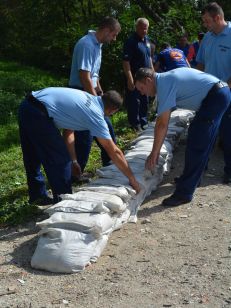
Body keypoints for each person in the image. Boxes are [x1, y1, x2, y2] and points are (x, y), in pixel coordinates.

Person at [18, 88, 141, 205]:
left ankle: (37, 195)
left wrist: (74, 161)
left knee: (32, 154)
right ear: (112, 110)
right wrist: (132, 179)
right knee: (60, 160)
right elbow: (114, 151)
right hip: (39, 114)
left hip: (27, 105)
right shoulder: (95, 114)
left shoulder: (87, 98)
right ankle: (63, 202)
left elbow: (68, 132)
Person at [134, 67, 230, 206]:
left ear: (149, 80)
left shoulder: (164, 84)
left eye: (141, 88)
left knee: (197, 143)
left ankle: (184, 193)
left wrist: (154, 153)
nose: (143, 93)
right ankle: (193, 179)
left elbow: (162, 124)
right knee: (203, 139)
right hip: (219, 93)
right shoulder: (166, 78)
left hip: (215, 96)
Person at [69, 17, 121, 173]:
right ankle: (76, 173)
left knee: (106, 127)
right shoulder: (86, 44)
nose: (114, 38)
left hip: (91, 92)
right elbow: (84, 76)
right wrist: (94, 102)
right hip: (81, 92)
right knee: (85, 135)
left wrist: (100, 92)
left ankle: (110, 165)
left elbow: (94, 75)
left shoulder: (98, 45)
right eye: (114, 34)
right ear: (106, 30)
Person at [196, 2, 231, 184]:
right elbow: (200, 64)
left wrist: (226, 89)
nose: (205, 25)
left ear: (218, 18)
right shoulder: (208, 38)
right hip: (208, 94)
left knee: (228, 134)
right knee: (204, 132)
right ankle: (200, 169)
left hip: (228, 94)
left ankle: (229, 171)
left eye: (207, 21)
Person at [122, 17, 154, 132]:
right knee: (134, 101)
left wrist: (153, 73)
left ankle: (144, 121)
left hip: (147, 77)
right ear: (136, 27)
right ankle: (135, 124)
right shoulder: (131, 42)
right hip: (135, 77)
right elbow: (126, 62)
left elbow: (149, 57)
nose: (144, 31)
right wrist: (130, 79)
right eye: (141, 28)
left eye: (146, 29)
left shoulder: (147, 40)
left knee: (145, 100)